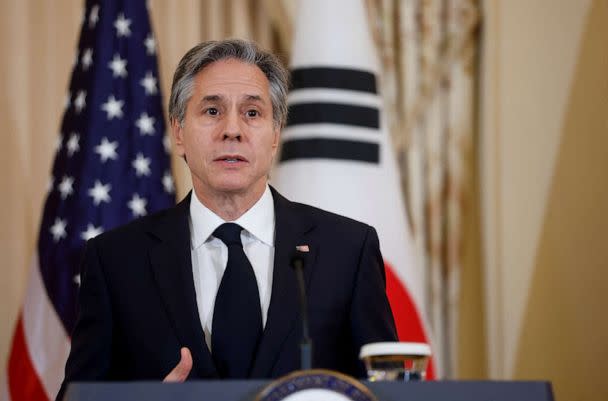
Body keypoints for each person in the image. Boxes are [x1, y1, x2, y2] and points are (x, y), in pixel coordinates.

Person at [57, 39, 397, 400]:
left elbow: (388, 393)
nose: (232, 130)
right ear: (178, 132)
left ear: (275, 134)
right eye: (212, 111)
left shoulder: (346, 250)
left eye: (252, 113)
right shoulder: (116, 261)